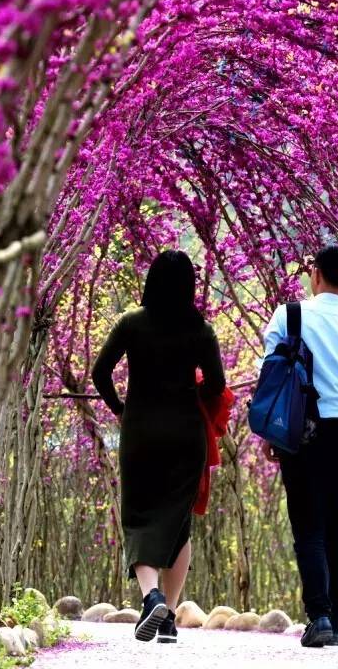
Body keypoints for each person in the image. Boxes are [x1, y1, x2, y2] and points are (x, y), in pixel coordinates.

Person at [92, 249, 226, 644]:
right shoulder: (200, 329)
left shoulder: (132, 323)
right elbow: (216, 384)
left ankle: (151, 598)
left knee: (138, 516)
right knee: (179, 522)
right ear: (190, 287)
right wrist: (193, 390)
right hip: (186, 433)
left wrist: (120, 406)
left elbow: (101, 372)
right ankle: (167, 616)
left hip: (141, 430)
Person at [260, 245, 338, 648]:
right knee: (337, 531)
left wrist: (271, 433)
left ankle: (319, 618)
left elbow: (273, 379)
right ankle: (332, 617)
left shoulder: (289, 316)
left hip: (301, 432)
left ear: (315, 274)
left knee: (308, 528)